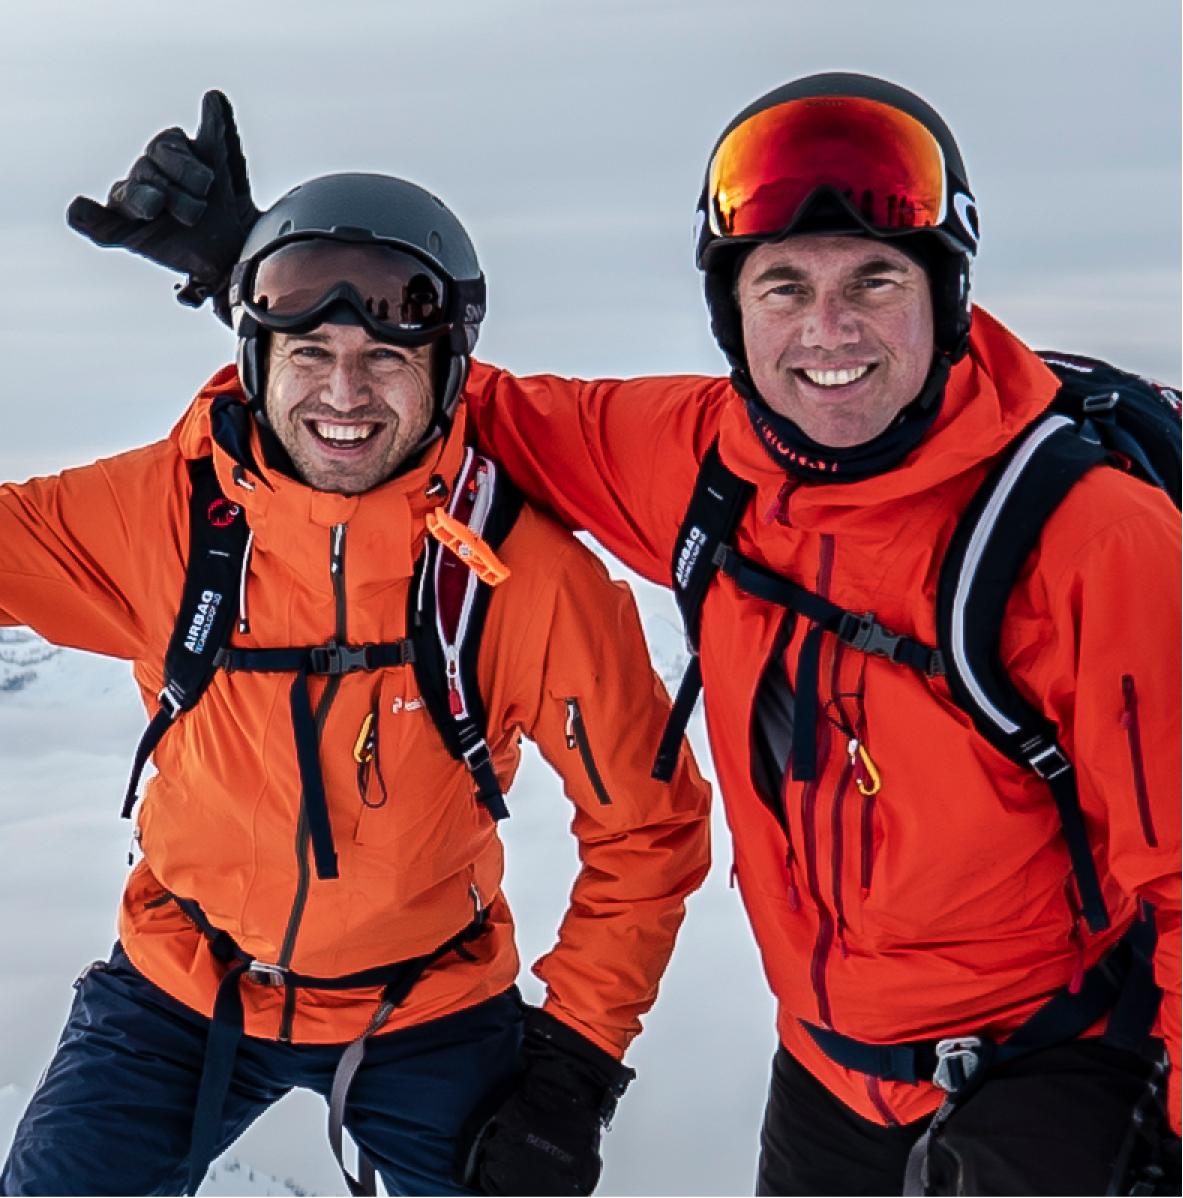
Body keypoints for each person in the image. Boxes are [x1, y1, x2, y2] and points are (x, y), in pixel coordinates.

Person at [68, 75, 1180, 1194]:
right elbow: (409, 396)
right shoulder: (700, 461)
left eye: (875, 281)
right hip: (830, 1071)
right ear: (731, 316)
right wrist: (258, 279)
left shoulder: (1087, 540)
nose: (824, 331)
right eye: (781, 285)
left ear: (945, 296)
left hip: (1056, 1059)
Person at [0, 123, 711, 1197]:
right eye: (310, 357)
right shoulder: (161, 516)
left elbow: (646, 833)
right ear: (255, 361)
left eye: (386, 357)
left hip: (428, 1008)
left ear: (446, 380)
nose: (345, 394)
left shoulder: (525, 580)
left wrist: (573, 1071)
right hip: (179, 984)